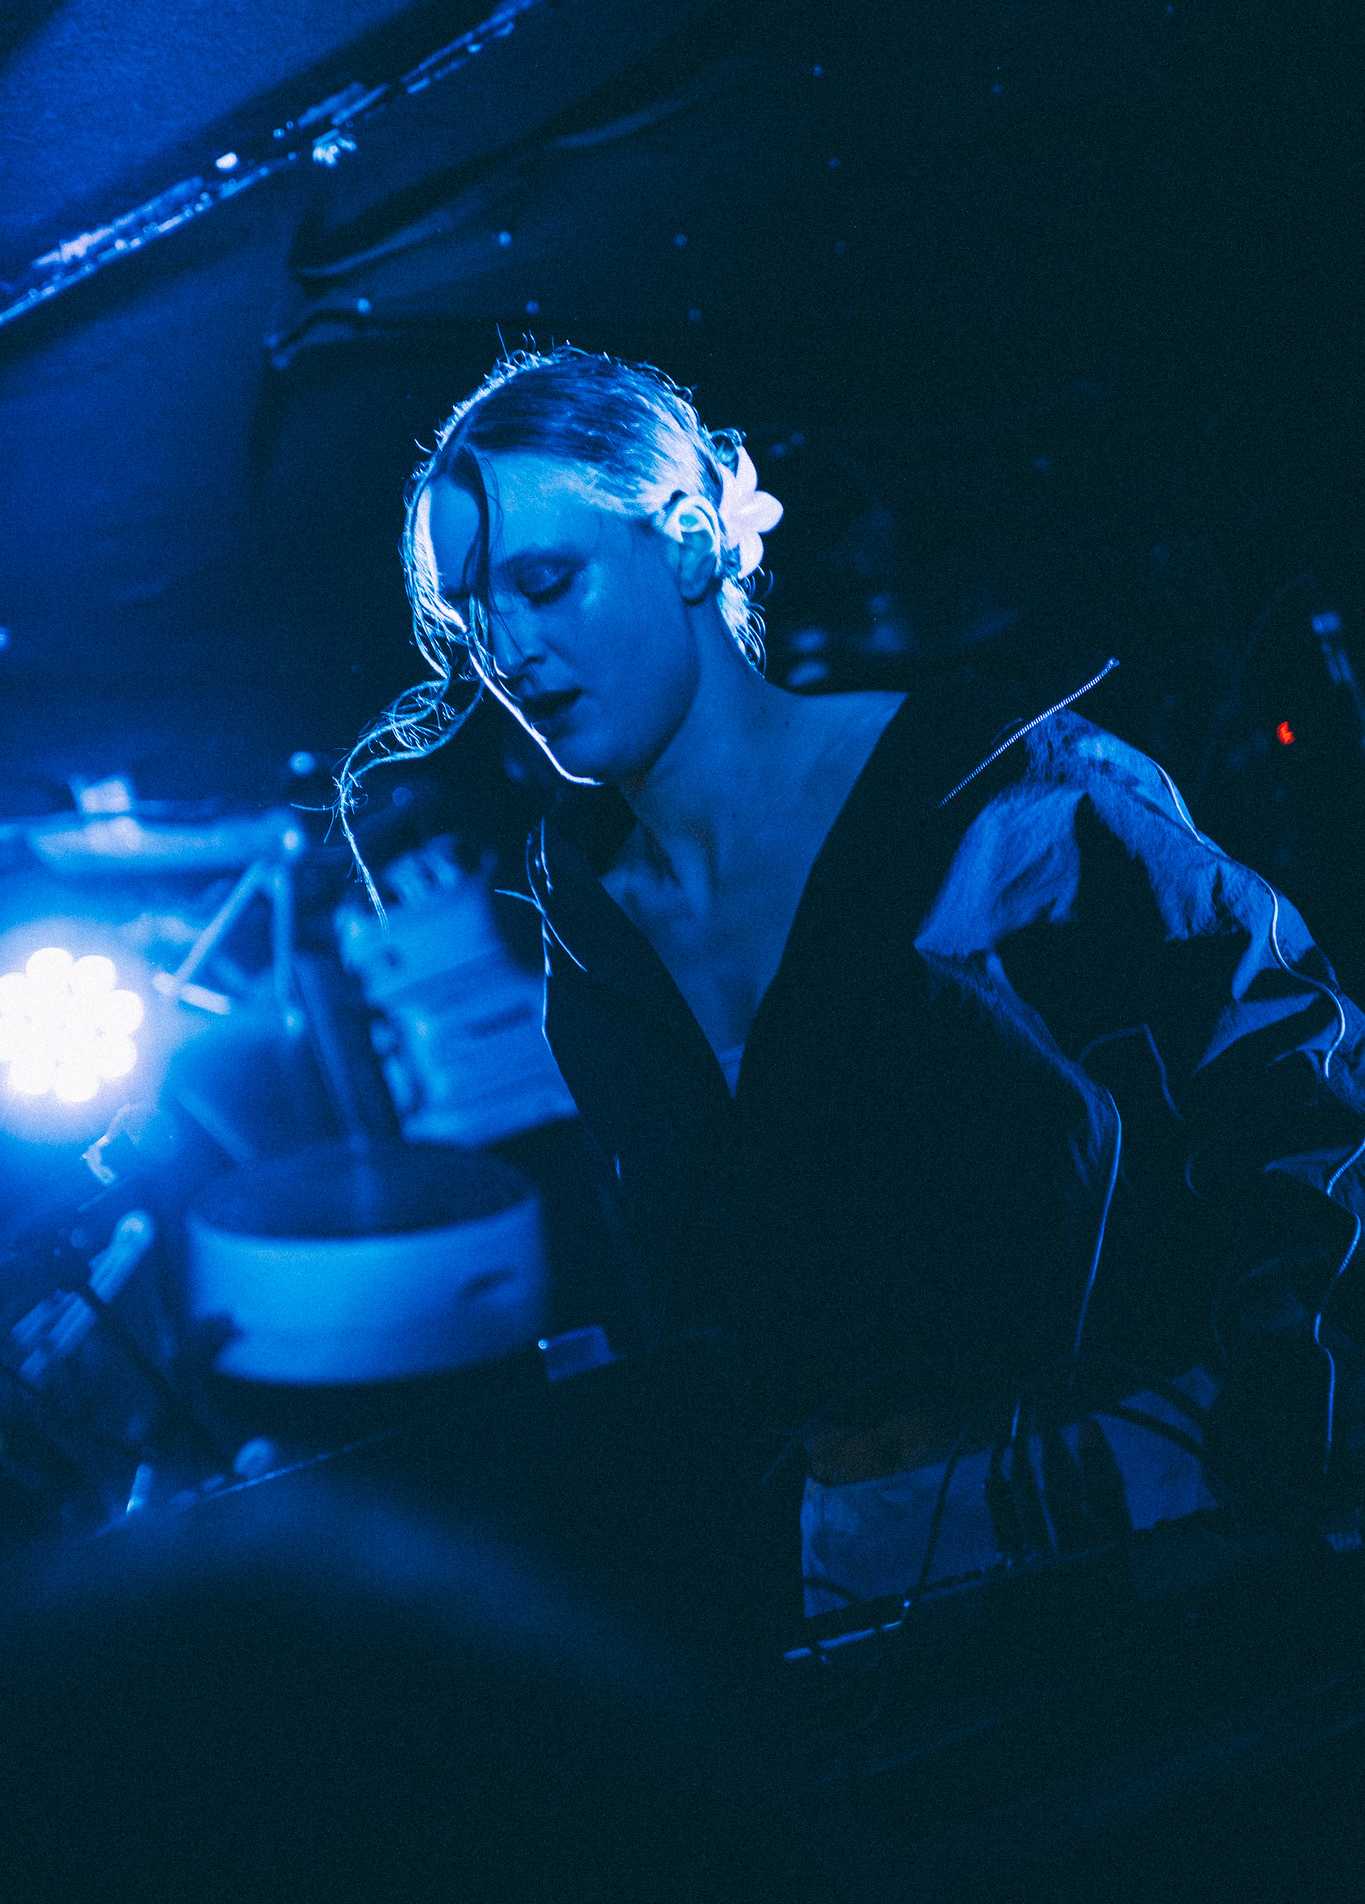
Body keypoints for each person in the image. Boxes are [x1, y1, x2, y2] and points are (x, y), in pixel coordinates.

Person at [342, 346, 1365, 1596]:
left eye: (547, 581)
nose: (509, 647)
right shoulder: (588, 948)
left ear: (684, 545)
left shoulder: (1013, 793)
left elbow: (1306, 1086)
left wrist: (1280, 1397)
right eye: (472, 614)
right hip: (851, 1572)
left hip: (1140, 1496)